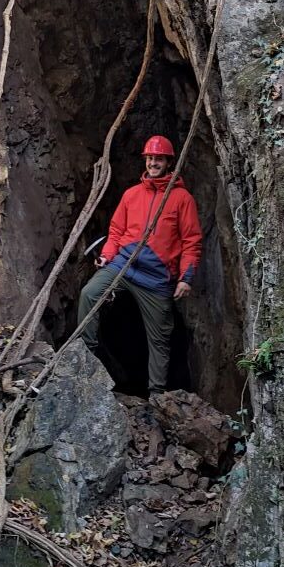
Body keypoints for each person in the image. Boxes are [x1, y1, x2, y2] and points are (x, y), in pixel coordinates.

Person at [78, 135, 202, 394]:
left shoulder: (182, 199)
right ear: (145, 160)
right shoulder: (131, 195)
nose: (154, 163)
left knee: (159, 339)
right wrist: (107, 256)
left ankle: (156, 395)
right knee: (89, 294)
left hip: (156, 278)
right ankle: (84, 357)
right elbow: (115, 231)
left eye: (159, 159)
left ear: (168, 162)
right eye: (150, 158)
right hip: (123, 265)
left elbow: (191, 241)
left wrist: (185, 277)